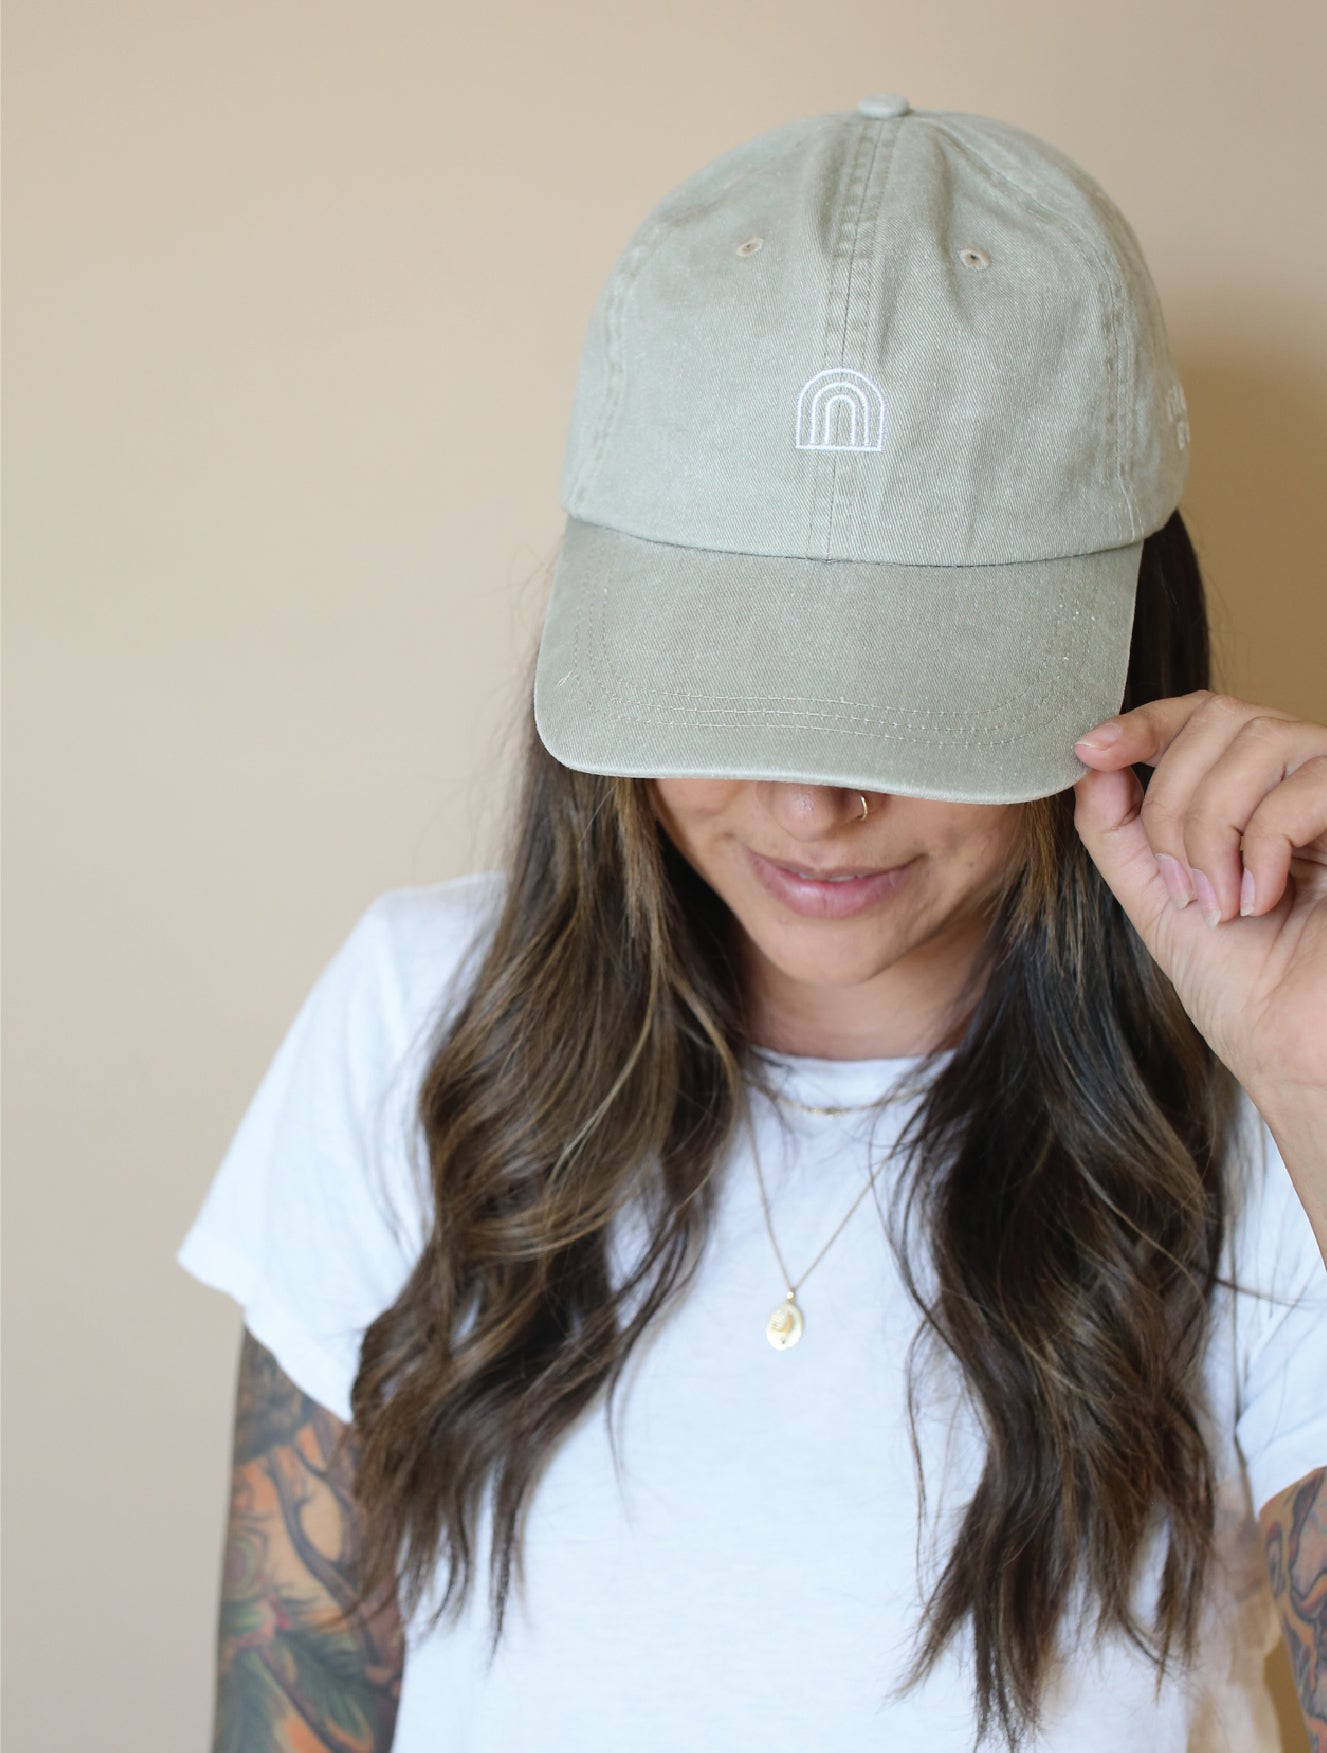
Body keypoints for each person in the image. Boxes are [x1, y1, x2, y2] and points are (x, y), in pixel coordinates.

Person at [176, 95, 1327, 1752]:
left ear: (1127, 649)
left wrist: (1312, 1083)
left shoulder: (1259, 1113)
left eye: (911, 703)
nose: (808, 802)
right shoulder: (419, 1018)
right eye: (730, 683)